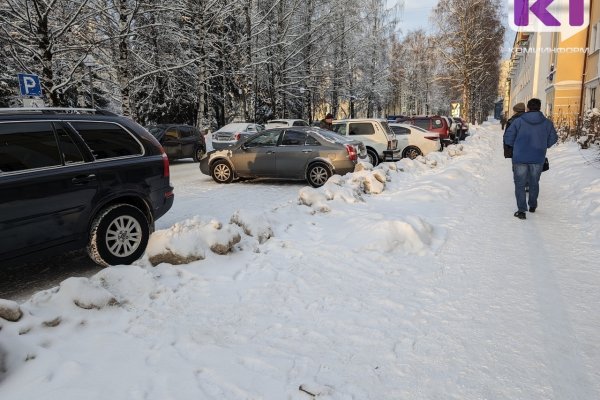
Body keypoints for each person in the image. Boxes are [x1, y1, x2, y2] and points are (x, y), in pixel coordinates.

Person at [503, 98, 558, 220]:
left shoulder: (518, 121)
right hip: (538, 157)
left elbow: (508, 138)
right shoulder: (547, 123)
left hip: (520, 157)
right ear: (539, 107)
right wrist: (544, 144)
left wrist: (516, 146)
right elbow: (553, 138)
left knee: (520, 184)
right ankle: (532, 205)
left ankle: (521, 211)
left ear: (528, 108)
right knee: (534, 182)